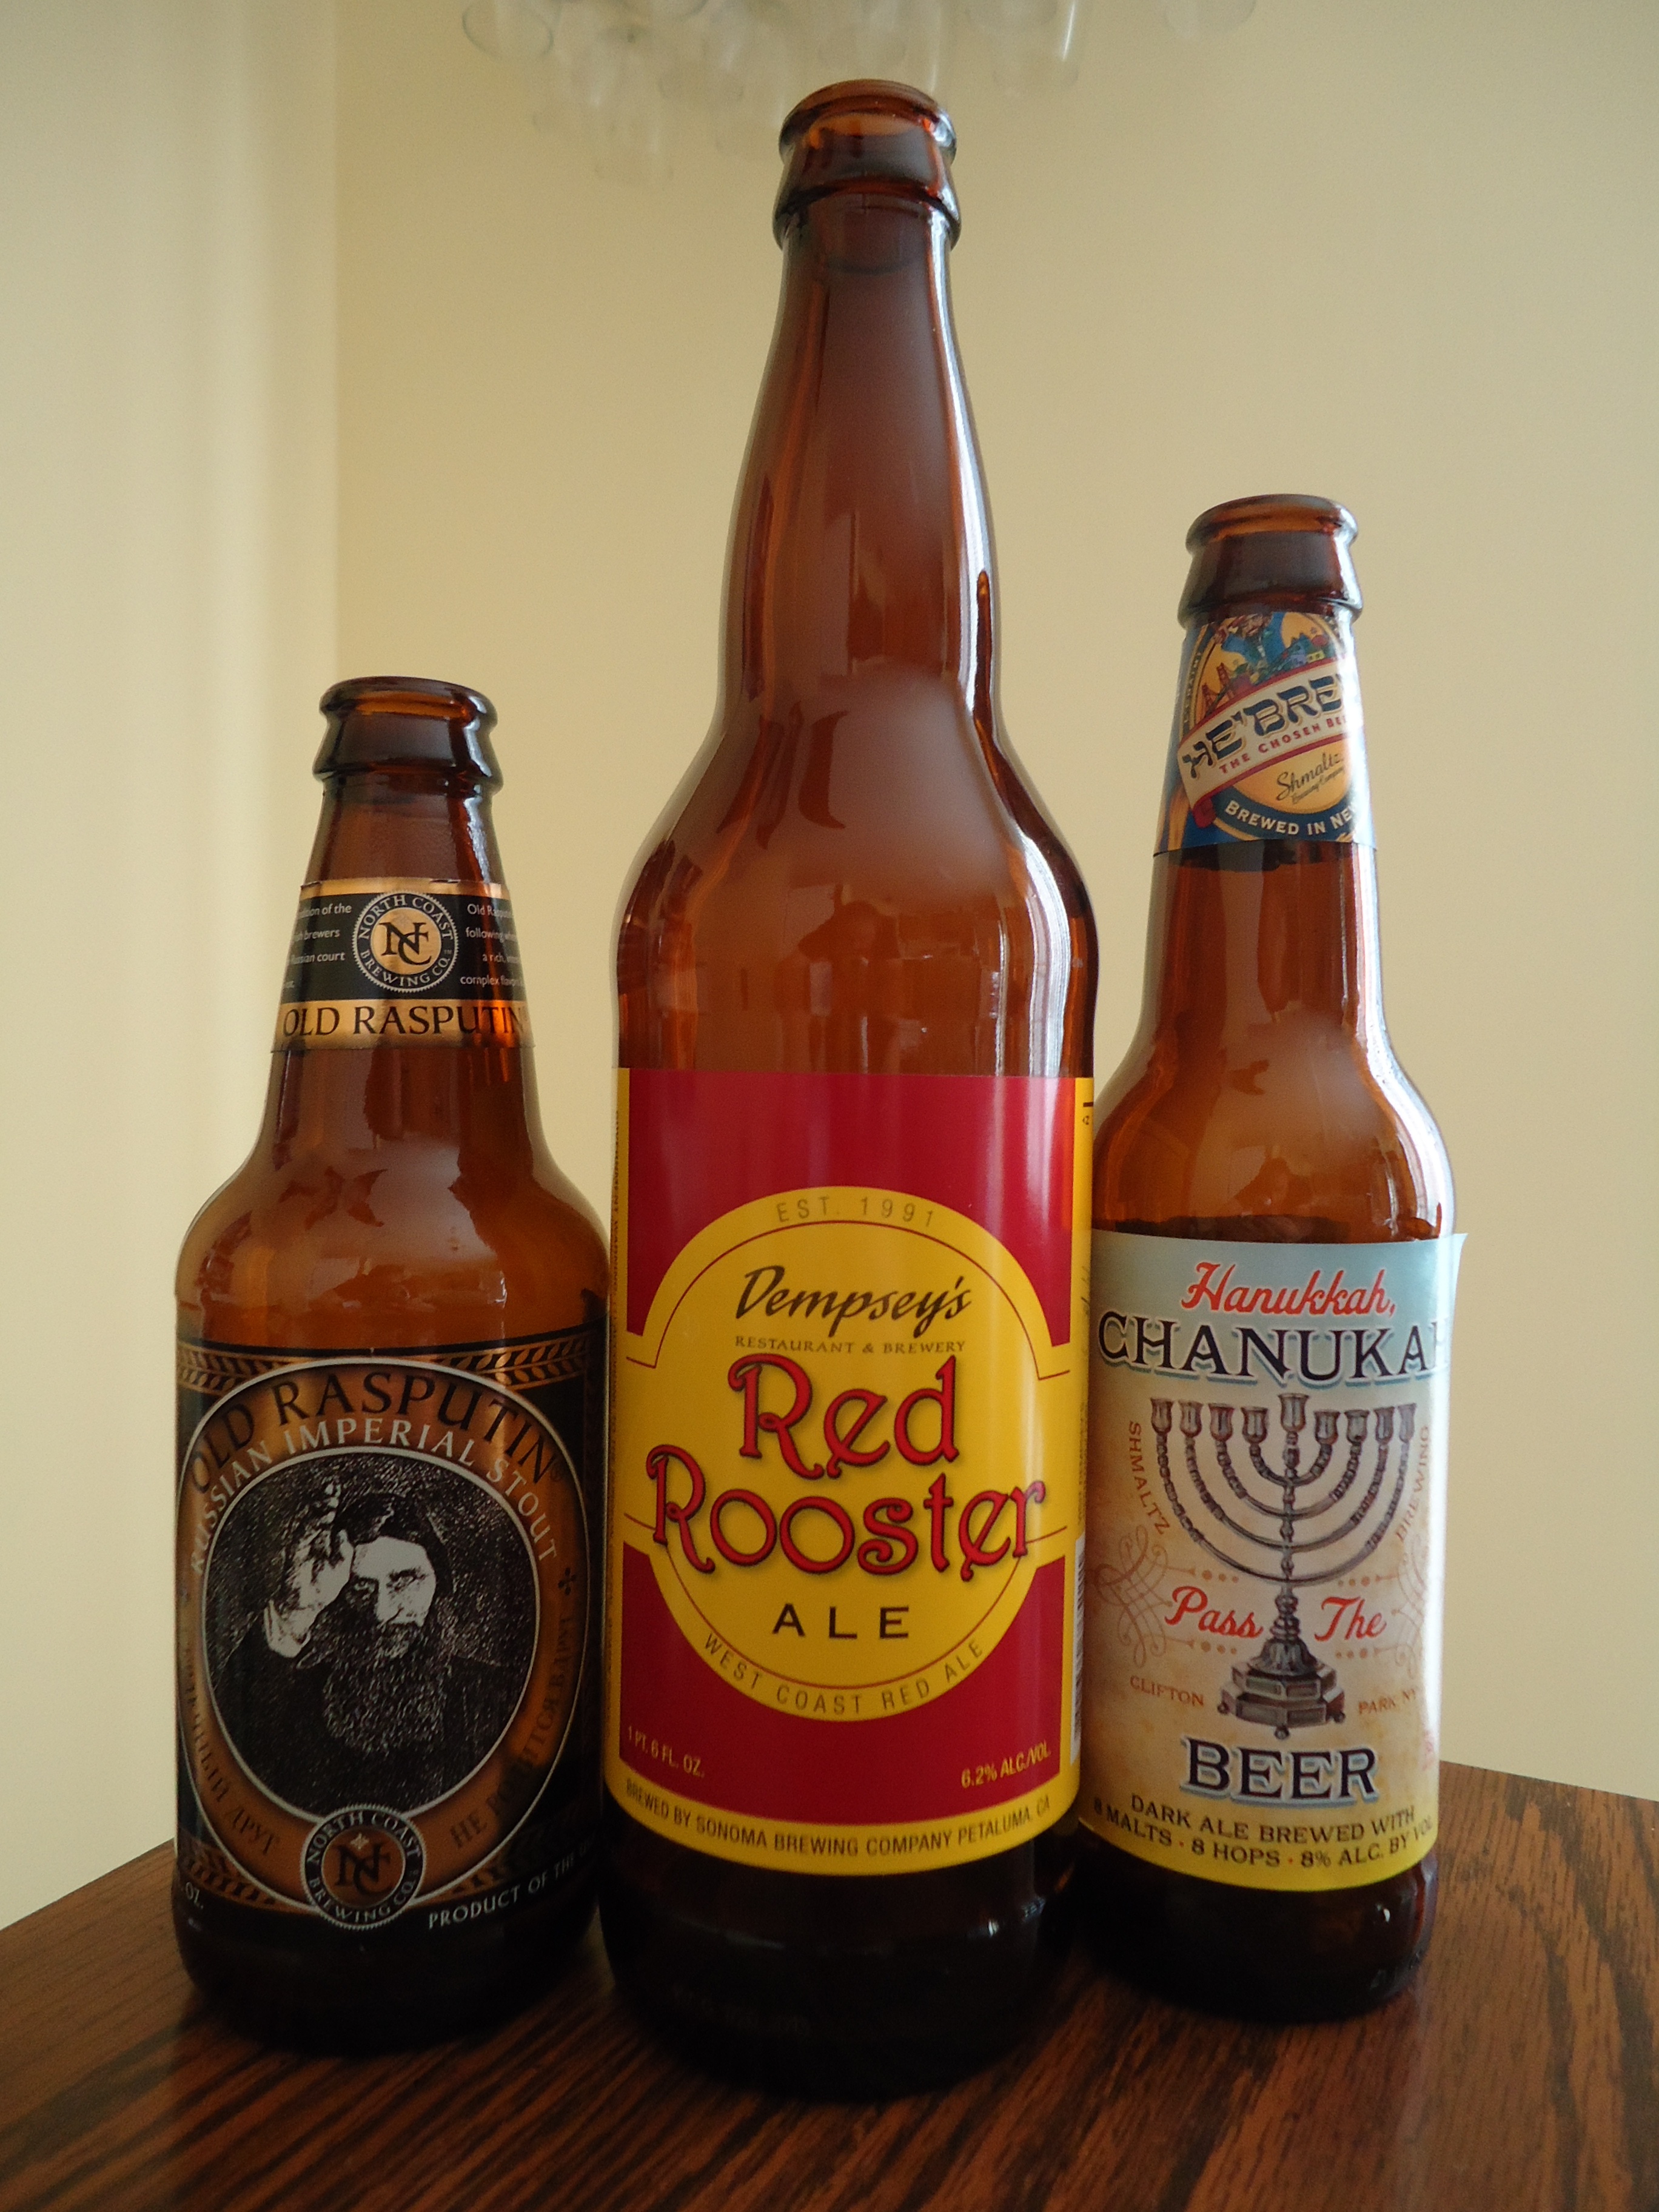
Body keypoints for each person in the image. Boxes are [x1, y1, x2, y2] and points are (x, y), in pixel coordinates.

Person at [216, 1483, 517, 1815]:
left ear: (439, 1583)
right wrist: (296, 1610)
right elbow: (225, 1758)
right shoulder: (294, 1699)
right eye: (361, 1588)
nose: (381, 1612)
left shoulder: (493, 1696)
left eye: (405, 1581)